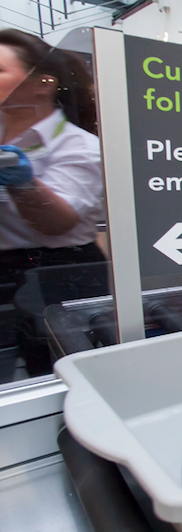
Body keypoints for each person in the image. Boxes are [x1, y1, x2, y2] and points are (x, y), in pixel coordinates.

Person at [0, 29, 104, 377]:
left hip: (60, 273)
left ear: (43, 82)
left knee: (58, 371)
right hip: (8, 271)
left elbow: (57, 222)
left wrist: (21, 181)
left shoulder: (80, 147)